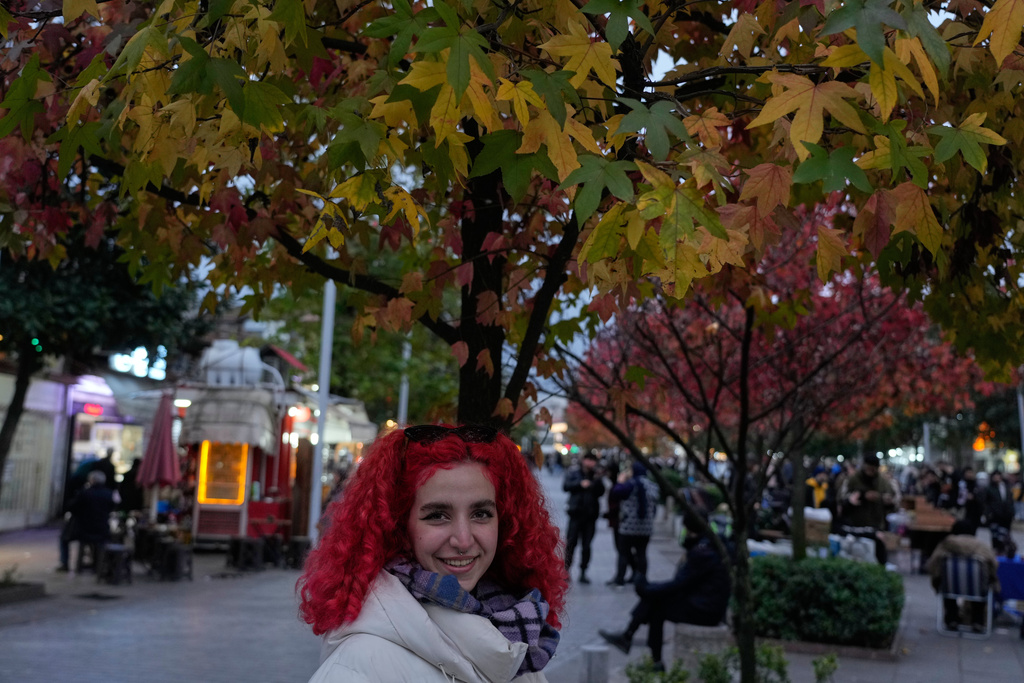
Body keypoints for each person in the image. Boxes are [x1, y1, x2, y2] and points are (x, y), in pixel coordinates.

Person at [299, 424, 566, 682]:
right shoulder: (358, 665)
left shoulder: (518, 640)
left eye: (481, 514)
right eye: (437, 515)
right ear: (399, 527)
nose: (463, 540)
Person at [598, 495, 731, 672]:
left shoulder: (702, 552)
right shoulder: (708, 544)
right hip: (706, 603)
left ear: (687, 527)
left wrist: (647, 589)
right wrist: (650, 589)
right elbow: (682, 583)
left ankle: (642, 649)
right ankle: (634, 642)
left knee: (657, 606)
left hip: (706, 610)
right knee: (656, 601)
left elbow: (679, 584)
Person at [926, 520, 1000, 633]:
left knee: (946, 580)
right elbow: (993, 566)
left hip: (950, 587)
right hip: (978, 589)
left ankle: (952, 618)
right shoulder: (982, 547)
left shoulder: (945, 545)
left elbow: (932, 565)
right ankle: (978, 621)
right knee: (982, 583)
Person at [838, 453, 897, 564]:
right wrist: (860, 497)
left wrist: (883, 499)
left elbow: (893, 499)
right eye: (868, 469)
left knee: (879, 558)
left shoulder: (883, 481)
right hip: (856, 526)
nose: (870, 472)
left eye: (873, 469)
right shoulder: (853, 479)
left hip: (876, 524)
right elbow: (842, 499)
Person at [608, 462, 660, 585]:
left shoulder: (631, 484)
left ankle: (620, 579)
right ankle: (641, 579)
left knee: (623, 553)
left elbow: (616, 493)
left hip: (629, 526)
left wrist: (620, 482)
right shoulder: (652, 485)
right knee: (642, 553)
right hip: (646, 527)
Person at [57, 470, 119, 572]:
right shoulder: (109, 494)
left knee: (64, 539)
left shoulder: (85, 493)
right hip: (102, 529)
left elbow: (71, 507)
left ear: (91, 480)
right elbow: (113, 507)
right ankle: (97, 564)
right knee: (98, 542)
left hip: (83, 529)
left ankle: (65, 564)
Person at [562, 451, 605, 584]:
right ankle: (566, 571)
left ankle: (583, 572)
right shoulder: (574, 473)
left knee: (586, 546)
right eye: (588, 459)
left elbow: (601, 492)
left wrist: (595, 482)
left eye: (592, 460)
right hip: (575, 514)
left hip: (590, 516)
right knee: (571, 545)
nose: (590, 463)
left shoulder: (596, 475)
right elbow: (566, 486)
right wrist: (580, 484)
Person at [984, 470, 1016, 556]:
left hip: (1006, 516)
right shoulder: (990, 488)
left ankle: (1005, 551)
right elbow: (986, 502)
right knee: (996, 536)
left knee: (1005, 536)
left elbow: (1010, 500)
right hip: (995, 516)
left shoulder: (1006, 487)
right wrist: (988, 514)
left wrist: (1011, 512)